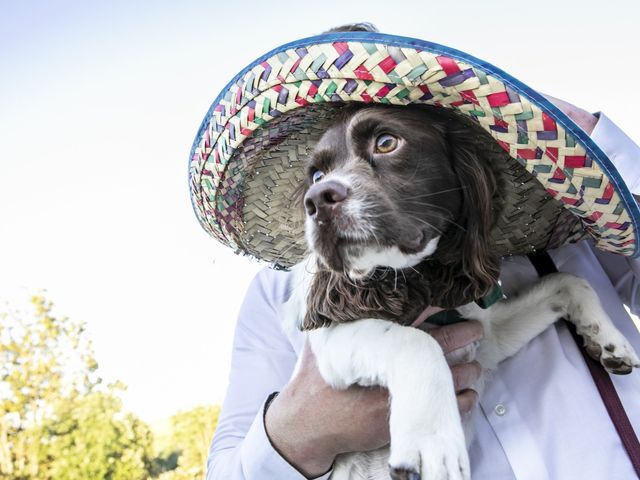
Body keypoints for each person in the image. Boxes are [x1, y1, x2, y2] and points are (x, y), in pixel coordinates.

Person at [198, 30, 640, 480]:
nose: (322, 191)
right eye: (319, 173)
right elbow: (226, 471)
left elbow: (485, 342)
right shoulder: (281, 292)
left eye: (385, 142)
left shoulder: (572, 220)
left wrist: (587, 138)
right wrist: (299, 432)